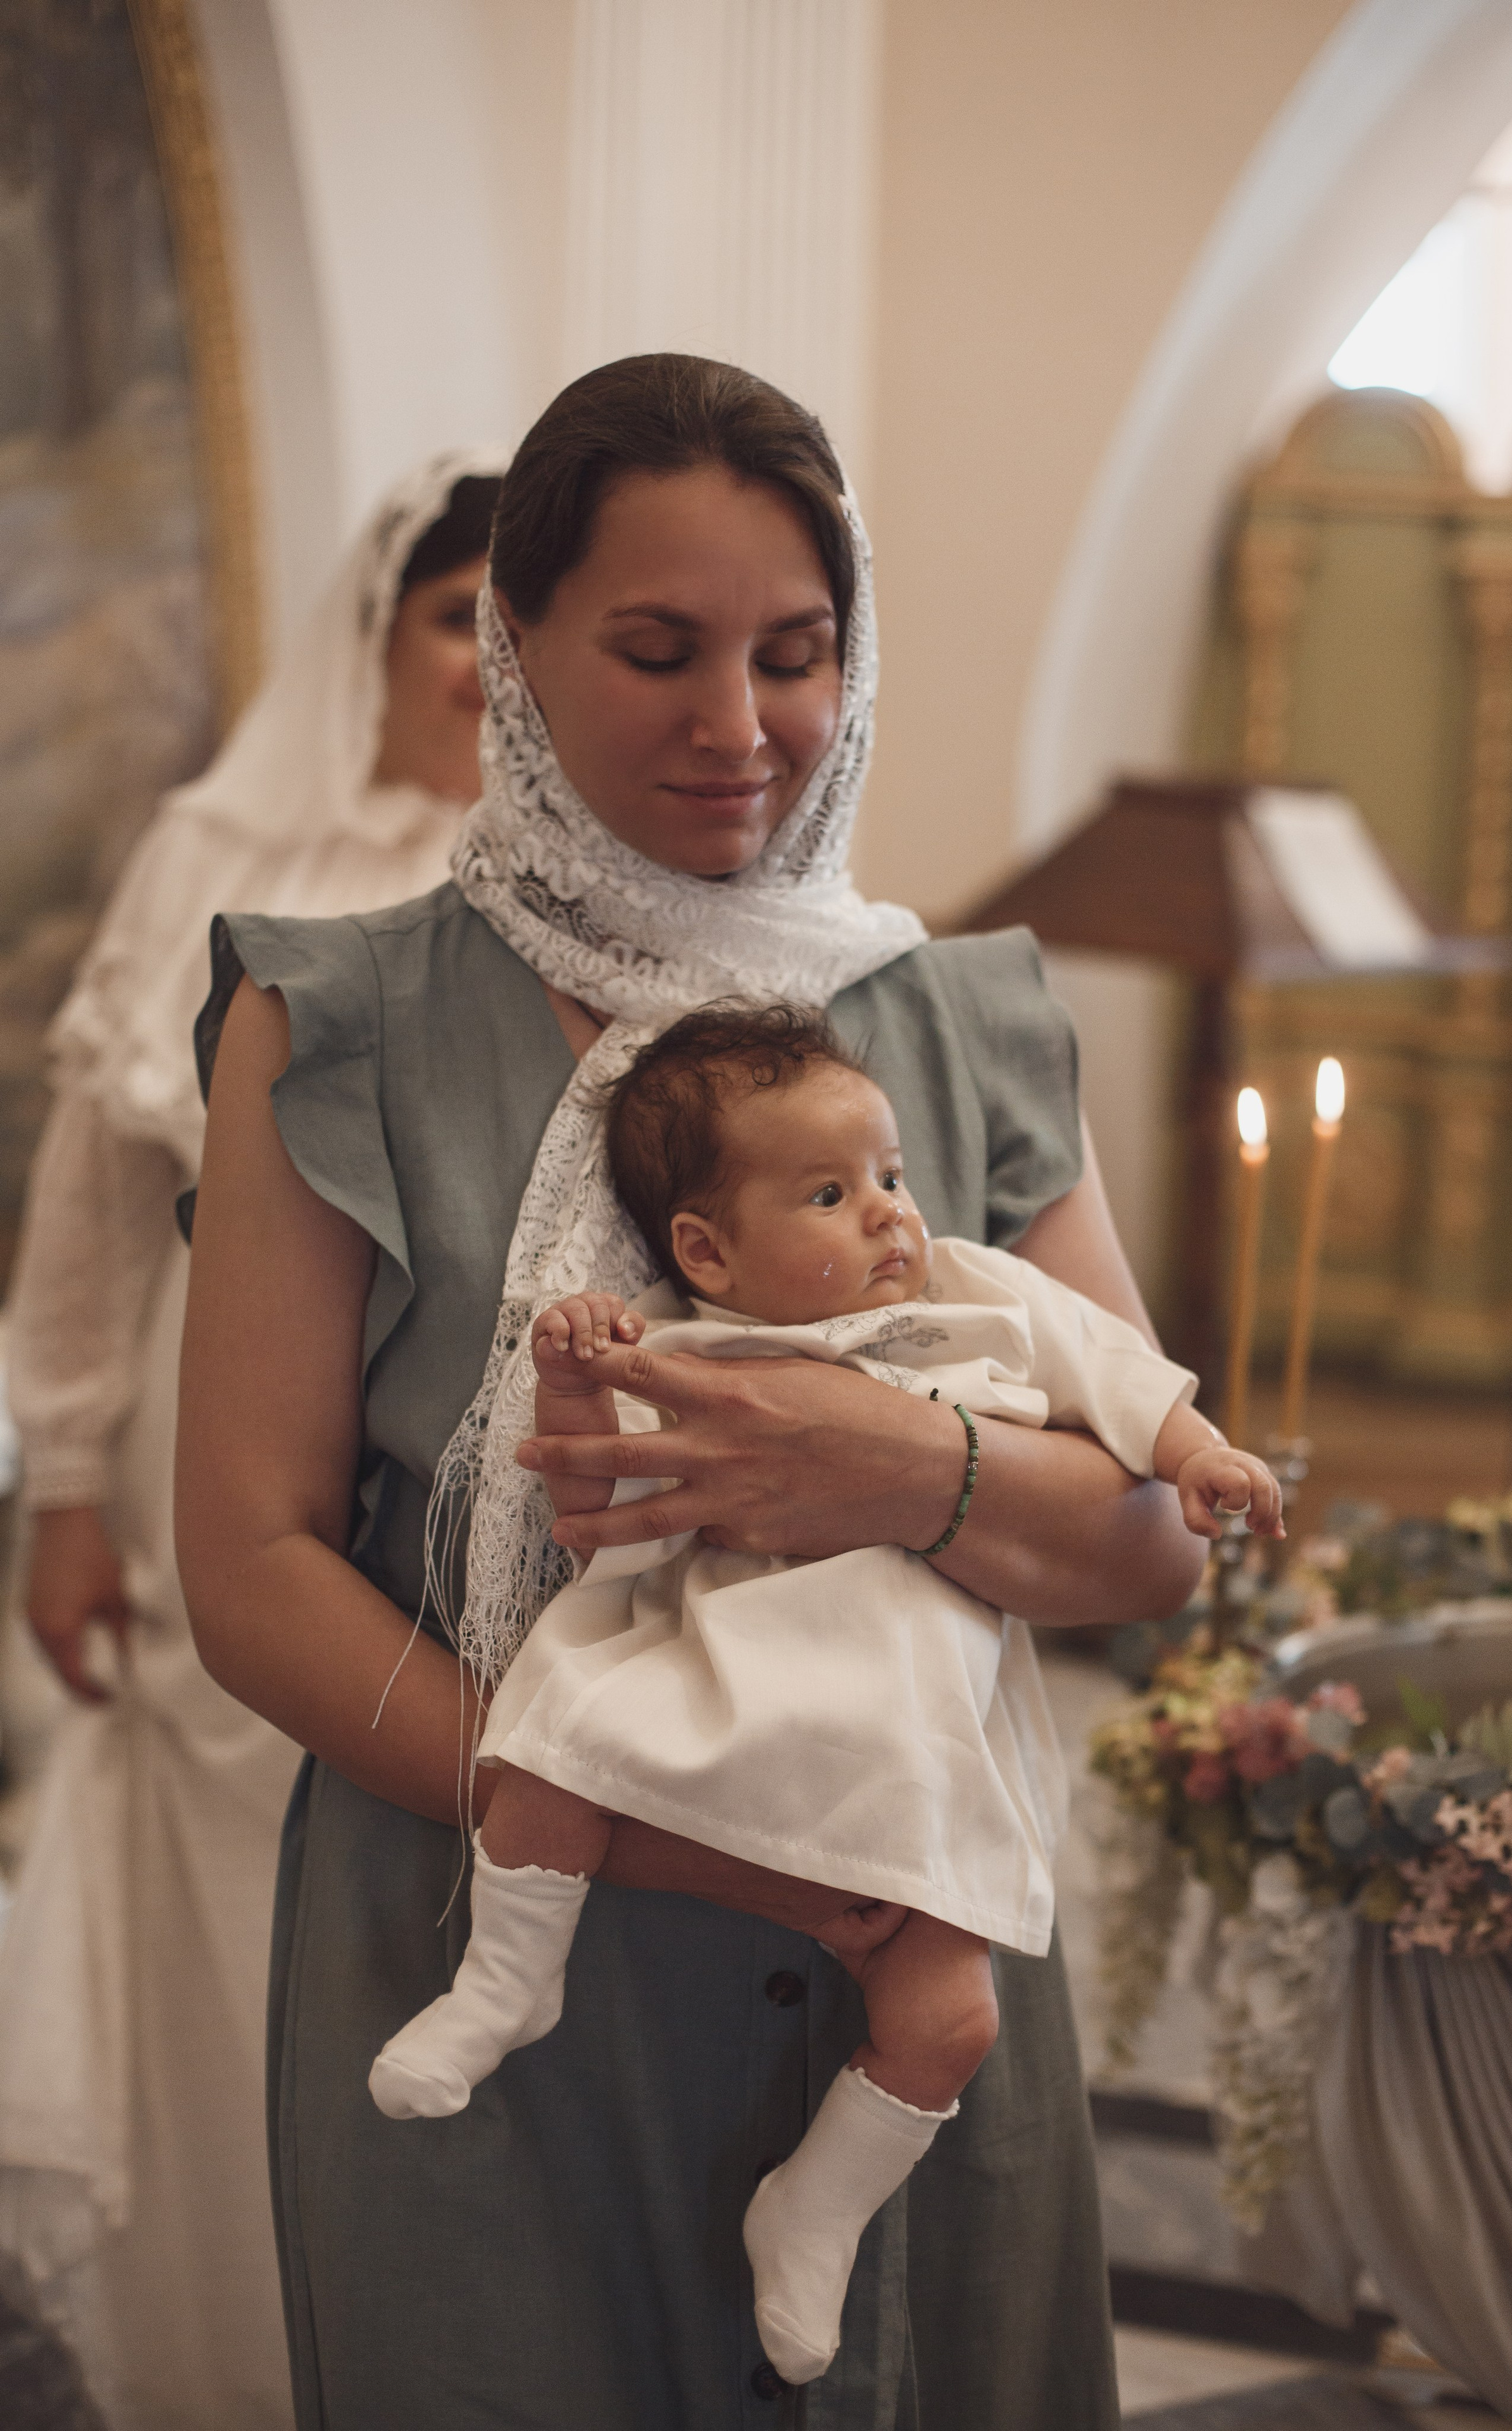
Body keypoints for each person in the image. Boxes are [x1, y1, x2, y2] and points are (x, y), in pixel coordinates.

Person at [176, 355, 1207, 2431]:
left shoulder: (964, 1017)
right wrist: (665, 1836)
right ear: (512, 642)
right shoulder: (335, 1018)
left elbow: (1148, 1541)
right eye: (658, 650)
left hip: (904, 1965)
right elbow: (254, 1566)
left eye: (798, 655)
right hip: (493, 1919)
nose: (741, 726)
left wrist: (889, 1459)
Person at [368, 1002, 1282, 2387]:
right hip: (724, 1673)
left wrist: (1198, 1451)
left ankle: (819, 2206)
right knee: (541, 1766)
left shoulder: (973, 1294)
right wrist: (569, 1378)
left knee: (951, 2016)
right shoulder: (685, 1345)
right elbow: (584, 1501)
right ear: (705, 1248)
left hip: (909, 1730)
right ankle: (508, 1979)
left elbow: (1114, 1374)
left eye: (891, 1179)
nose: (887, 1218)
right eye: (828, 1194)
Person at [0, 449, 504, 2431]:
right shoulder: (222, 849)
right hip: (217, 1465)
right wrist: (55, 1488)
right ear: (375, 639)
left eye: (514, 625)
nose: (488, 667)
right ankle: (231, 2337)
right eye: (457, 619)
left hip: (467, 1479)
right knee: (235, 1897)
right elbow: (96, 1209)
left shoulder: (576, 875)